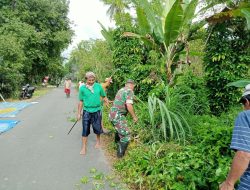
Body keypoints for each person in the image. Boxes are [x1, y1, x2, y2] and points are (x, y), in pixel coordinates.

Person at [220, 84, 250, 190]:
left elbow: (244, 154)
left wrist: (229, 183)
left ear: (247, 101)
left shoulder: (246, 115)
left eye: (243, 103)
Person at [77, 72, 109, 155]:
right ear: (86, 79)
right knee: (85, 129)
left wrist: (106, 101)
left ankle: (98, 142)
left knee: (97, 128)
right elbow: (80, 101)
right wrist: (78, 113)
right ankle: (83, 147)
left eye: (92, 80)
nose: (91, 82)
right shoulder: (82, 88)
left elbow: (104, 96)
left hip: (97, 110)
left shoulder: (98, 86)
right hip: (87, 111)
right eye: (89, 80)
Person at [109, 79, 138, 158]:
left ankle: (116, 146)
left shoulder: (121, 90)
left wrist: (135, 99)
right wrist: (134, 117)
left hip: (112, 114)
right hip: (118, 115)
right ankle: (120, 157)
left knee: (120, 131)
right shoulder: (130, 91)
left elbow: (124, 99)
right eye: (134, 87)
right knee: (126, 135)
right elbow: (129, 105)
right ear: (133, 85)